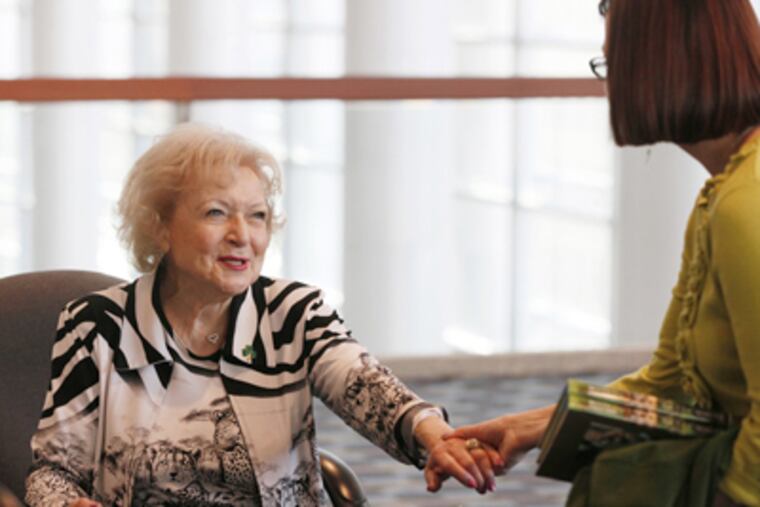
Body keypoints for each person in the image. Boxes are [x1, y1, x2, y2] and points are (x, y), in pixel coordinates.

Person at [24, 123, 502, 507]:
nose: (242, 235)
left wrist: (433, 433)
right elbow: (51, 473)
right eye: (216, 213)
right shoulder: (98, 325)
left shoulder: (292, 313)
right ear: (160, 226)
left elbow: (367, 386)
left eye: (257, 216)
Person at [442, 0, 760, 505]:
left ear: (657, 64)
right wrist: (530, 425)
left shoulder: (744, 203)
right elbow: (670, 382)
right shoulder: (723, 192)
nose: (609, 85)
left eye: (612, 63)